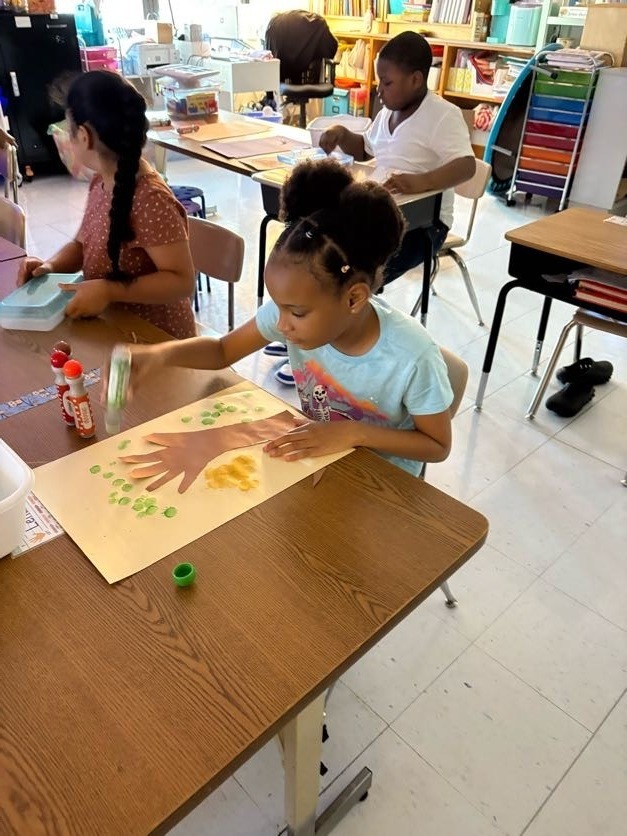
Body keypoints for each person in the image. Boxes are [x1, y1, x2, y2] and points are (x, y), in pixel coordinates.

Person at [117, 160, 454, 483]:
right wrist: (163, 355)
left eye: (296, 312)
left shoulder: (412, 357)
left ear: (354, 298)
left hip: (383, 483)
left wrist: (355, 432)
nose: (282, 325)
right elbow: (222, 351)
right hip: (320, 462)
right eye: (278, 307)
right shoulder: (292, 314)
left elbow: (437, 446)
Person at [265, 31, 476, 385]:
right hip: (377, 215)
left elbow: (466, 166)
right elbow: (368, 149)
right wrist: (343, 137)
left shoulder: (443, 115)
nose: (380, 90)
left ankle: (324, 350)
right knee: (318, 253)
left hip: (423, 223)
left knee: (348, 275)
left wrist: (419, 181)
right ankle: (302, 330)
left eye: (387, 82)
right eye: (379, 81)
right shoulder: (389, 112)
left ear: (416, 80)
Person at [17, 71, 196, 339]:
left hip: (159, 341)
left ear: (84, 136)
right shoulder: (101, 182)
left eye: (69, 129)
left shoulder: (150, 200)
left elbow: (181, 281)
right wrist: (50, 267)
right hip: (115, 327)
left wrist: (110, 290)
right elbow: (81, 245)